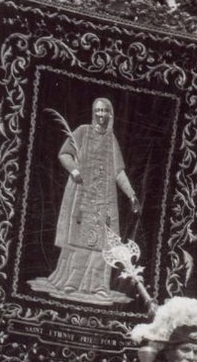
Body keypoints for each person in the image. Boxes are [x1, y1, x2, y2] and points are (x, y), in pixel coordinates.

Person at [28, 97, 139, 304]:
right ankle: (72, 281)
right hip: (82, 194)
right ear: (92, 112)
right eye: (97, 110)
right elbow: (64, 154)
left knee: (104, 241)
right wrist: (74, 170)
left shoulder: (111, 139)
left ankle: (98, 287)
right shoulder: (81, 131)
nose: (100, 114)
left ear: (110, 114)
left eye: (105, 111)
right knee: (78, 237)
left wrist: (131, 194)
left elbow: (118, 172)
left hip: (104, 198)